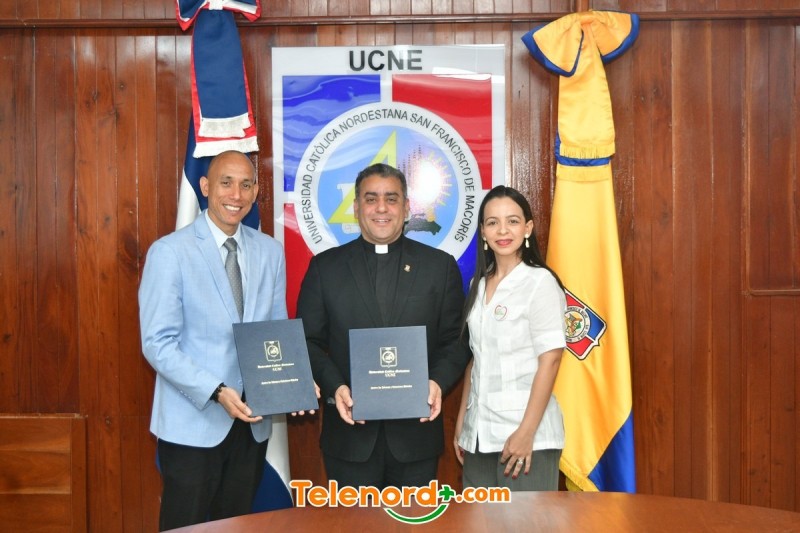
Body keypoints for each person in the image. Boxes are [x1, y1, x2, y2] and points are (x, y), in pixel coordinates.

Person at [139, 151, 295, 530]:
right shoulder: (169, 252)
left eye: (246, 184)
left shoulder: (270, 251)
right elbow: (157, 343)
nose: (236, 194)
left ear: (255, 191)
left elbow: (275, 331)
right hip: (193, 424)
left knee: (237, 525)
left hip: (251, 425)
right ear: (206, 186)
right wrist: (217, 391)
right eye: (226, 183)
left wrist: (293, 381)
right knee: (185, 526)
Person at [296, 162, 471, 488]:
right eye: (371, 198)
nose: (381, 208)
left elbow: (457, 340)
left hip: (416, 438)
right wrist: (336, 387)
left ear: (406, 208)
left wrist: (437, 381)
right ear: (356, 207)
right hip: (349, 437)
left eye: (391, 199)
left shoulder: (439, 267)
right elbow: (307, 341)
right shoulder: (325, 268)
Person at [453, 185, 567, 491]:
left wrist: (526, 433)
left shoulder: (540, 282)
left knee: (525, 517)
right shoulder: (478, 284)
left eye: (512, 221)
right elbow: (476, 358)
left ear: (527, 228)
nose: (502, 230)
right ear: (483, 232)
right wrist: (463, 423)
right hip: (479, 435)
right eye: (493, 222)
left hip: (526, 438)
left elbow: (551, 360)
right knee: (476, 517)